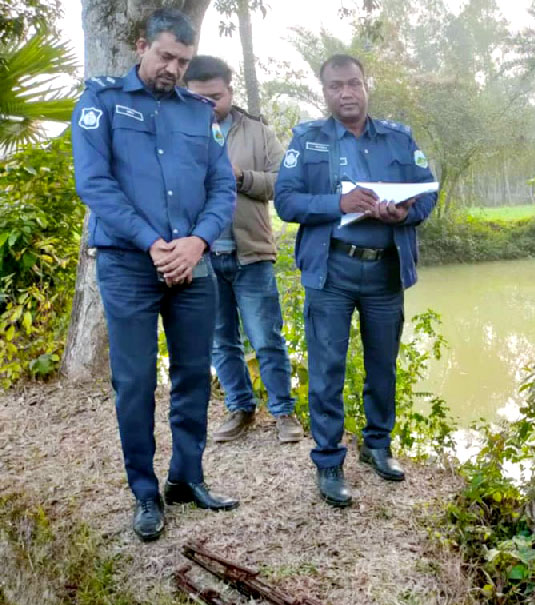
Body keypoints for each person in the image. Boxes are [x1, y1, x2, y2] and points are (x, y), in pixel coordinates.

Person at [71, 10, 239, 542]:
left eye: (183, 61)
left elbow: (222, 188)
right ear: (142, 45)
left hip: (193, 262)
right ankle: (144, 491)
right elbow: (94, 185)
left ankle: (186, 477)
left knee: (193, 375)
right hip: (127, 264)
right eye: (165, 55)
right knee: (136, 381)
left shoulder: (199, 113)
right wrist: (153, 243)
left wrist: (197, 242)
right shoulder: (100, 102)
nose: (173, 68)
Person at [274, 54, 437, 508]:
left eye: (353, 84)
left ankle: (377, 446)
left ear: (367, 86)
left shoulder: (399, 139)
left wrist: (406, 211)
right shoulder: (308, 141)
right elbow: (285, 201)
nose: (345, 93)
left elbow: (427, 191)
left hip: (385, 267)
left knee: (382, 363)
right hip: (332, 270)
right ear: (323, 91)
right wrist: (339, 203)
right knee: (327, 368)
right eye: (335, 86)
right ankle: (329, 461)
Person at [183, 56, 304, 445]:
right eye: (198, 98)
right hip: (201, 256)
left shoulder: (257, 131)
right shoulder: (177, 133)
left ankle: (283, 412)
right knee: (221, 340)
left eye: (215, 97)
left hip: (251, 252)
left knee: (266, 337)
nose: (208, 105)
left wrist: (242, 178)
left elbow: (284, 183)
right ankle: (240, 408)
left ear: (230, 92)